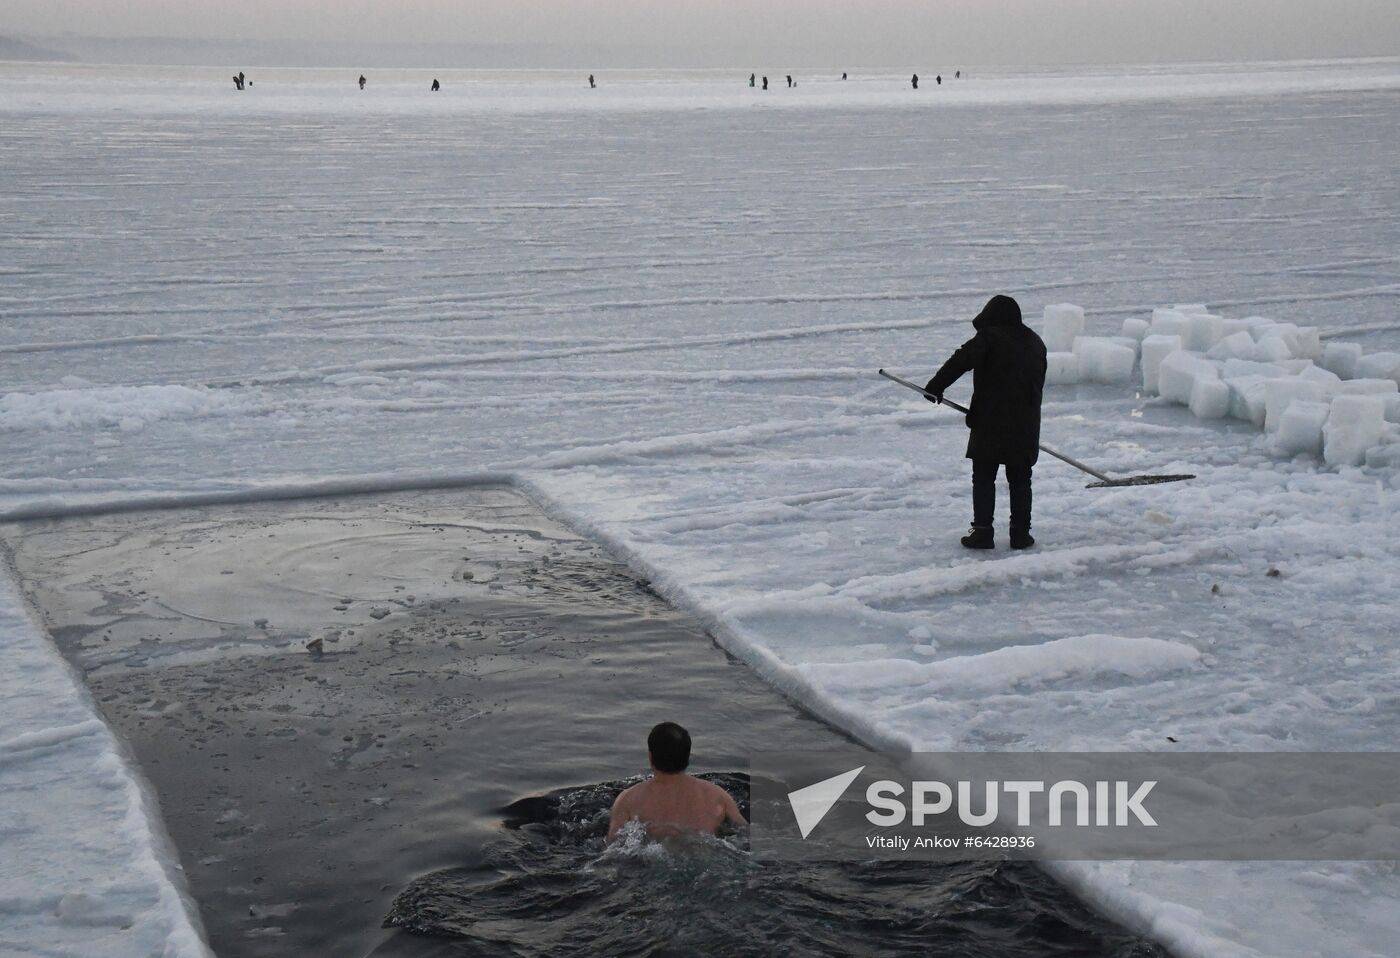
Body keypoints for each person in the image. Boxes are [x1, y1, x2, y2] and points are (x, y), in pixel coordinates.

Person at [923, 295, 1047, 550]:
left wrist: (935, 386)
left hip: (991, 421)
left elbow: (961, 360)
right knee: (1021, 479)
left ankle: (982, 532)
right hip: (1026, 424)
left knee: (983, 477)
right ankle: (1021, 534)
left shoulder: (990, 337)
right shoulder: (1035, 342)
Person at [607, 722, 746, 842]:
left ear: (650, 757)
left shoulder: (628, 799)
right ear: (688, 756)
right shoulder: (718, 796)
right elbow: (745, 833)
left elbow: (612, 843)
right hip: (705, 853)